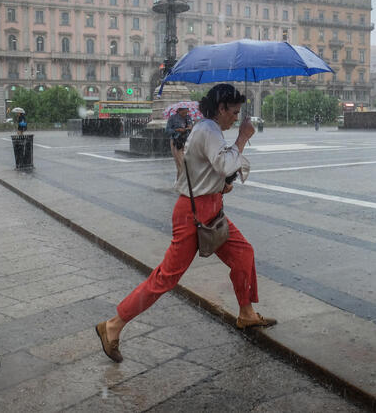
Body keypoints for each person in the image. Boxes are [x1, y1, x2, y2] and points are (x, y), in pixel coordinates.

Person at [95, 83, 276, 363]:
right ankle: (113, 325)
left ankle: (246, 313)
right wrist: (242, 138)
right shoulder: (207, 130)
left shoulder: (209, 130)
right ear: (221, 108)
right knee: (166, 277)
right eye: (234, 112)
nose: (237, 118)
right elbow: (226, 164)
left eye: (240, 113)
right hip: (193, 215)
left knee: (243, 253)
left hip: (210, 208)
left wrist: (221, 185)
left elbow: (209, 170)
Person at [166, 106, 193, 180]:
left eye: (187, 111)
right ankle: (183, 184)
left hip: (186, 142)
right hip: (176, 141)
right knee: (180, 164)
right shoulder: (172, 118)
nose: (186, 113)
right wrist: (177, 130)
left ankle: (179, 183)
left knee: (186, 164)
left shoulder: (188, 117)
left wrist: (188, 128)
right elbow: (167, 130)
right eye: (184, 112)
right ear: (179, 110)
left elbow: (191, 128)